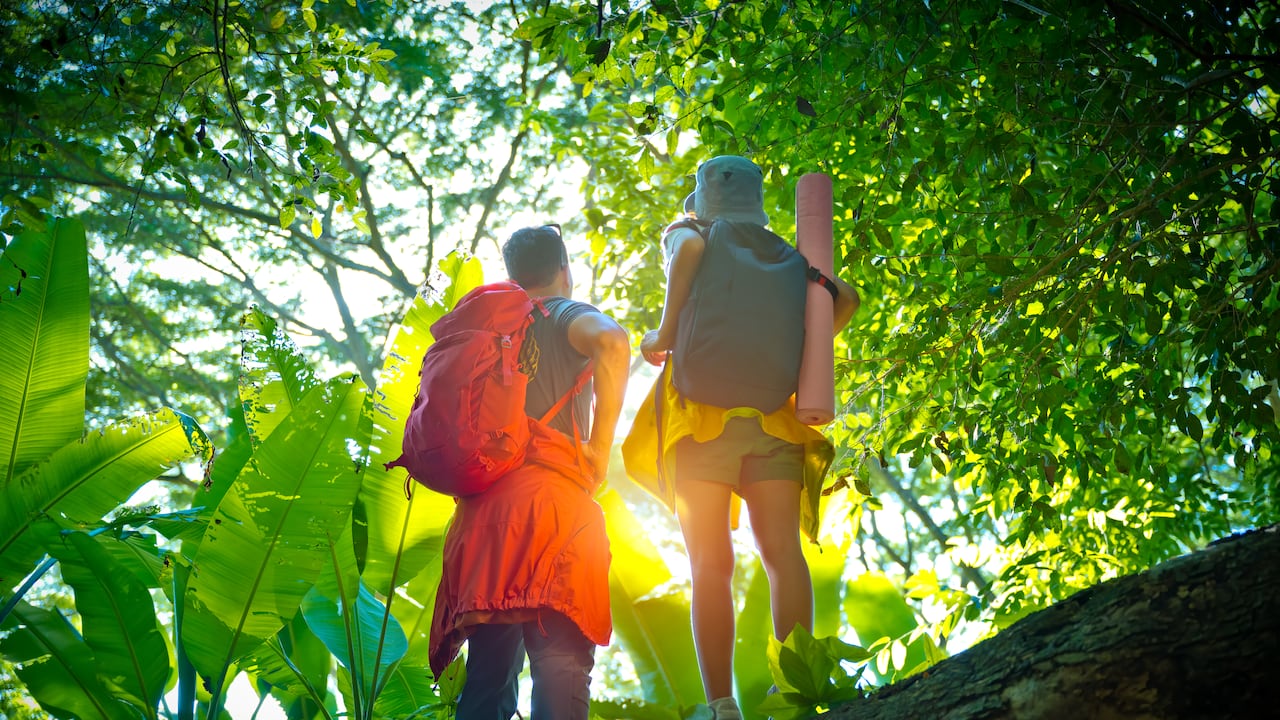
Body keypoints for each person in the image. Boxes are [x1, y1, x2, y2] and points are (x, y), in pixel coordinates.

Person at [625, 156, 859, 718]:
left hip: (700, 421)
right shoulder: (788, 256)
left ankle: (720, 704)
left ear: (704, 198)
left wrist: (664, 330)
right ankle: (796, 689)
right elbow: (845, 299)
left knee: (710, 563)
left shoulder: (692, 230)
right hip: (774, 425)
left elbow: (686, 252)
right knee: (783, 554)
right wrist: (806, 361)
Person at [428, 224, 631, 719]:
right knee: (560, 657)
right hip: (552, 512)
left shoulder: (493, 329)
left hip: (485, 519)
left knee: (490, 673)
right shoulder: (564, 312)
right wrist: (600, 449)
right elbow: (612, 342)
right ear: (565, 269)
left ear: (513, 275)